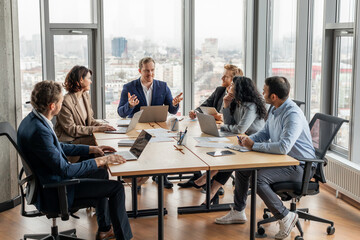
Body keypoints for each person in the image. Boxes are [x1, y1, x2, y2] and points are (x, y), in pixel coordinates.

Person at [17, 81, 133, 240]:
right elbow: (65, 170)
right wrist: (101, 160)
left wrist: (91, 149)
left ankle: (105, 228)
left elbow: (57, 147)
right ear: (52, 106)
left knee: (101, 175)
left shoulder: (32, 120)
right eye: (60, 101)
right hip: (56, 190)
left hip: (46, 183)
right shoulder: (40, 131)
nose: (62, 103)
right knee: (116, 188)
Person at [215, 76, 316, 240]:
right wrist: (250, 140)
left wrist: (254, 146)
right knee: (243, 169)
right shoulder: (275, 109)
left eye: (265, 90)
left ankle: (285, 215)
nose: (262, 92)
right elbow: (265, 133)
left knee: (258, 179)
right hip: (283, 161)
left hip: (300, 166)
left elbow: (284, 147)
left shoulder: (293, 115)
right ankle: (239, 211)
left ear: (273, 96)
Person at [184, 77, 267, 205]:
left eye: (233, 84)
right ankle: (210, 189)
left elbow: (239, 128)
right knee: (228, 154)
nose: (230, 86)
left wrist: (222, 127)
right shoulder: (236, 101)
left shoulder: (251, 106)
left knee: (231, 158)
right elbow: (229, 123)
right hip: (242, 140)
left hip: (255, 143)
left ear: (239, 88)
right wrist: (226, 105)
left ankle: (209, 182)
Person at [117, 57, 183, 189]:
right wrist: (129, 105)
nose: (150, 74)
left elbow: (172, 109)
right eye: (146, 71)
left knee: (163, 147)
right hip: (137, 128)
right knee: (140, 150)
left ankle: (161, 176)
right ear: (140, 70)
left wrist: (175, 104)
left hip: (157, 126)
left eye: (152, 70)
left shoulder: (163, 86)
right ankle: (138, 179)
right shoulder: (129, 87)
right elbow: (120, 112)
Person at [179, 64, 243, 189]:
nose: (222, 78)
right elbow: (205, 105)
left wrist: (223, 118)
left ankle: (211, 183)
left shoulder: (239, 96)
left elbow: (237, 121)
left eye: (225, 77)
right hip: (214, 129)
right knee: (192, 143)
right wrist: (195, 112)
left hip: (228, 134)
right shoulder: (220, 90)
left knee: (208, 147)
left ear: (234, 81)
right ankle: (198, 175)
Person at [55, 65, 116, 163]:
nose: (91, 81)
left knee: (103, 138)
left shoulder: (85, 96)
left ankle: (107, 169)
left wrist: (105, 126)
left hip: (81, 138)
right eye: (89, 78)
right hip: (71, 142)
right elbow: (72, 130)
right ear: (81, 80)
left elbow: (90, 120)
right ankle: (104, 168)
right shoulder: (66, 101)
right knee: (100, 142)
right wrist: (98, 128)